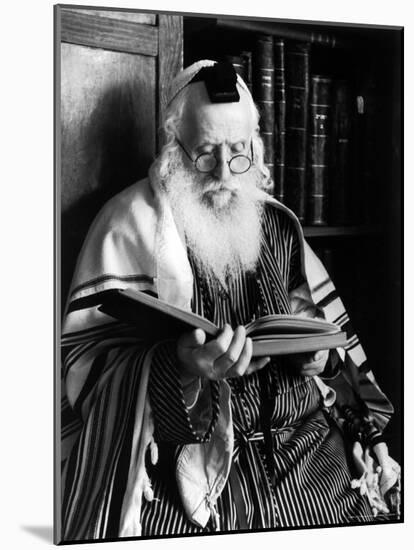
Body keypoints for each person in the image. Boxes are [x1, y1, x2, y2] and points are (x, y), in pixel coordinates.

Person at [60, 60, 400, 542]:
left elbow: (332, 346)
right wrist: (179, 366)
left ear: (255, 149)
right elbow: (83, 370)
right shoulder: (126, 226)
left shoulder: (279, 225)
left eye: (238, 151)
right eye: (204, 153)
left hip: (312, 461)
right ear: (173, 149)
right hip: (189, 483)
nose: (223, 172)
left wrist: (322, 360)